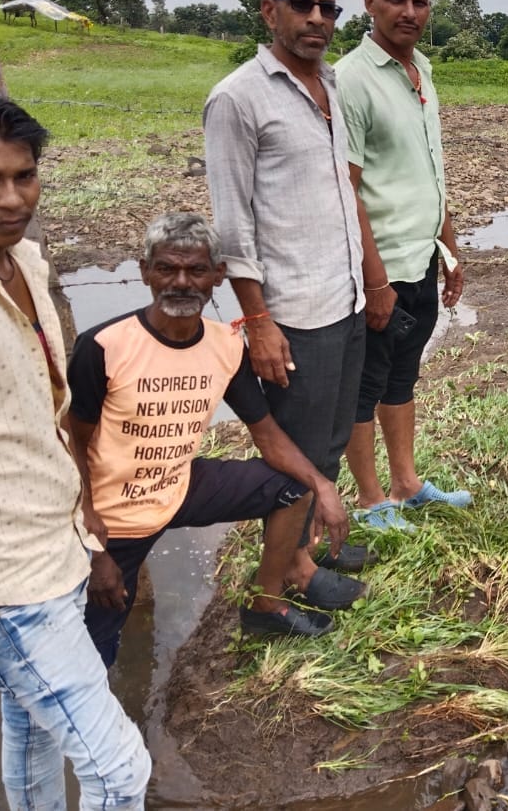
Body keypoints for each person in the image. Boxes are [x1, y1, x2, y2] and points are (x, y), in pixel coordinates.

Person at [0, 88, 151, 809]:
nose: (12, 198)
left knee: (32, 731)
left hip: (55, 546)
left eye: (25, 176)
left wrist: (90, 534)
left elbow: (51, 414)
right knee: (121, 771)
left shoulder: (24, 260)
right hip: (5, 578)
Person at [71, 214, 367, 666]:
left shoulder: (225, 344)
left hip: (178, 486)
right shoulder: (103, 346)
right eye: (167, 269)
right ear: (145, 271)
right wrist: (92, 542)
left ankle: (265, 604)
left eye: (196, 270)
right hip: (115, 519)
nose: (181, 282)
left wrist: (322, 485)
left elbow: (265, 433)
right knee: (93, 653)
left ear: (218, 275)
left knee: (294, 487)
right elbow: (71, 445)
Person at [206, 0, 372, 568]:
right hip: (294, 312)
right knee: (297, 446)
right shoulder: (238, 98)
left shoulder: (330, 85)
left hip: (345, 299)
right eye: (302, 4)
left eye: (328, 7)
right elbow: (232, 224)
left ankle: (309, 546)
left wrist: (369, 285)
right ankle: (288, 571)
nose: (317, 18)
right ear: (269, 11)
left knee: (330, 438)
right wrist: (259, 322)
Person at [334, 0, 468, 530]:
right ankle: (370, 501)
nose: (409, 12)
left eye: (419, 2)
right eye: (396, 0)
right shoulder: (351, 79)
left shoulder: (422, 71)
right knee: (365, 386)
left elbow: (430, 171)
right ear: (370, 4)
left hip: (421, 258)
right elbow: (348, 188)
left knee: (402, 375)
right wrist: (375, 281)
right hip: (381, 267)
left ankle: (406, 484)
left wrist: (450, 252)